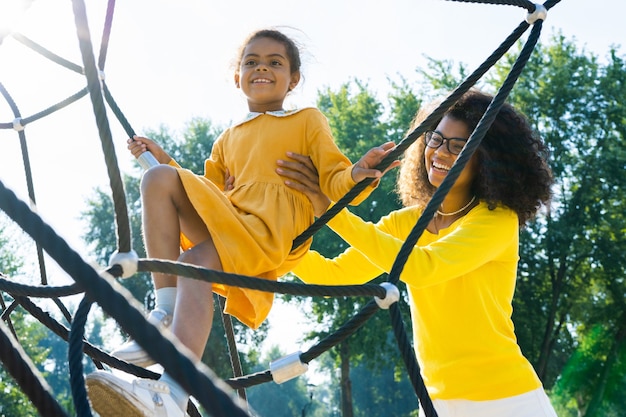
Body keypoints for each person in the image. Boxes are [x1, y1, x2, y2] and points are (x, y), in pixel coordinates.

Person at [85, 28, 395, 417]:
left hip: (271, 234)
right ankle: (165, 318)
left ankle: (171, 389)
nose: (261, 68)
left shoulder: (306, 120)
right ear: (237, 77)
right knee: (158, 182)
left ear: (293, 79)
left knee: (195, 260)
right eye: (251, 62)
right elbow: (205, 200)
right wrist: (163, 160)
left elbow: (334, 179)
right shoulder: (227, 140)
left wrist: (357, 172)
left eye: (274, 63)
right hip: (233, 225)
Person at [276, 89, 558, 417]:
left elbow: (424, 267)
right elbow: (330, 275)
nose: (440, 152)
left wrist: (330, 209)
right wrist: (267, 246)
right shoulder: (406, 222)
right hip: (435, 403)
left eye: (458, 145)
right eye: (435, 139)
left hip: (507, 401)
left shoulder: (496, 219)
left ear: (486, 157)